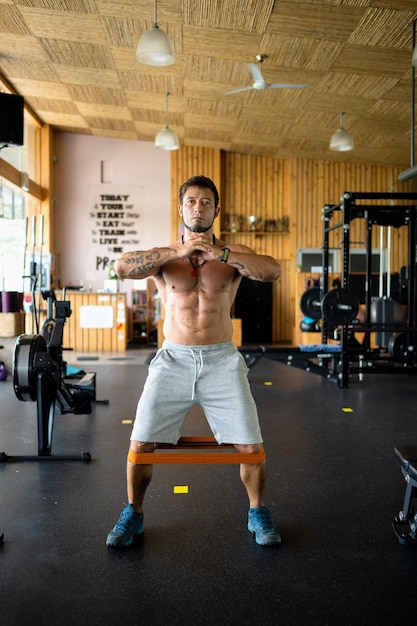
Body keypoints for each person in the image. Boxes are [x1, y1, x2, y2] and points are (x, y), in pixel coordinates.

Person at [106, 175, 282, 548]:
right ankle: (133, 514)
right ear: (181, 208)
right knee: (140, 445)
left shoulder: (232, 254)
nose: (198, 207)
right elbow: (121, 267)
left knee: (251, 446)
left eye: (205, 202)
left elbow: (273, 270)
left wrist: (222, 256)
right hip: (173, 359)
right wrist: (177, 253)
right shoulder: (163, 256)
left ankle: (257, 512)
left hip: (222, 360)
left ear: (216, 210)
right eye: (191, 202)